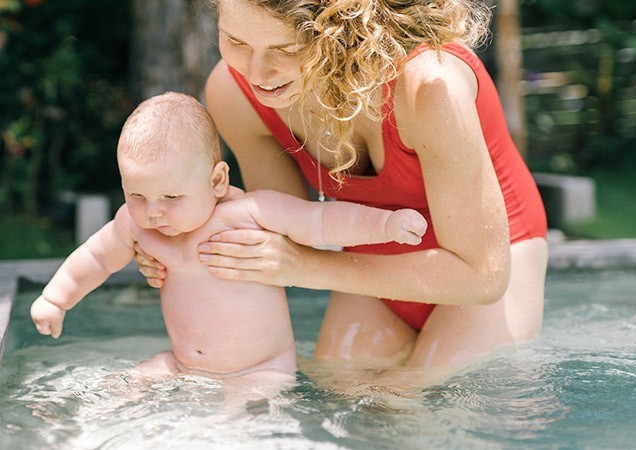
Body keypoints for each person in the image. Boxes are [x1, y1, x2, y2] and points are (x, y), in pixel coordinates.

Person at [135, 0, 549, 372]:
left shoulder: (429, 85)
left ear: (346, 32)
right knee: (344, 402)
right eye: (236, 41)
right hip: (370, 258)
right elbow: (281, 231)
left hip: (489, 257)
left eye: (287, 49)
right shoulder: (234, 92)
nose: (257, 74)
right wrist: (178, 244)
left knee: (428, 412)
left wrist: (305, 267)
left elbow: (482, 277)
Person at [31, 92, 428, 386]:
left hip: (262, 370)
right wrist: (56, 298)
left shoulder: (249, 214)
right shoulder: (137, 226)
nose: (154, 211)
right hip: (183, 365)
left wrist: (385, 226)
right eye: (136, 195)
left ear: (217, 181)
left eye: (171, 197)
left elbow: (322, 221)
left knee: (241, 428)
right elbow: (96, 259)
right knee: (119, 388)